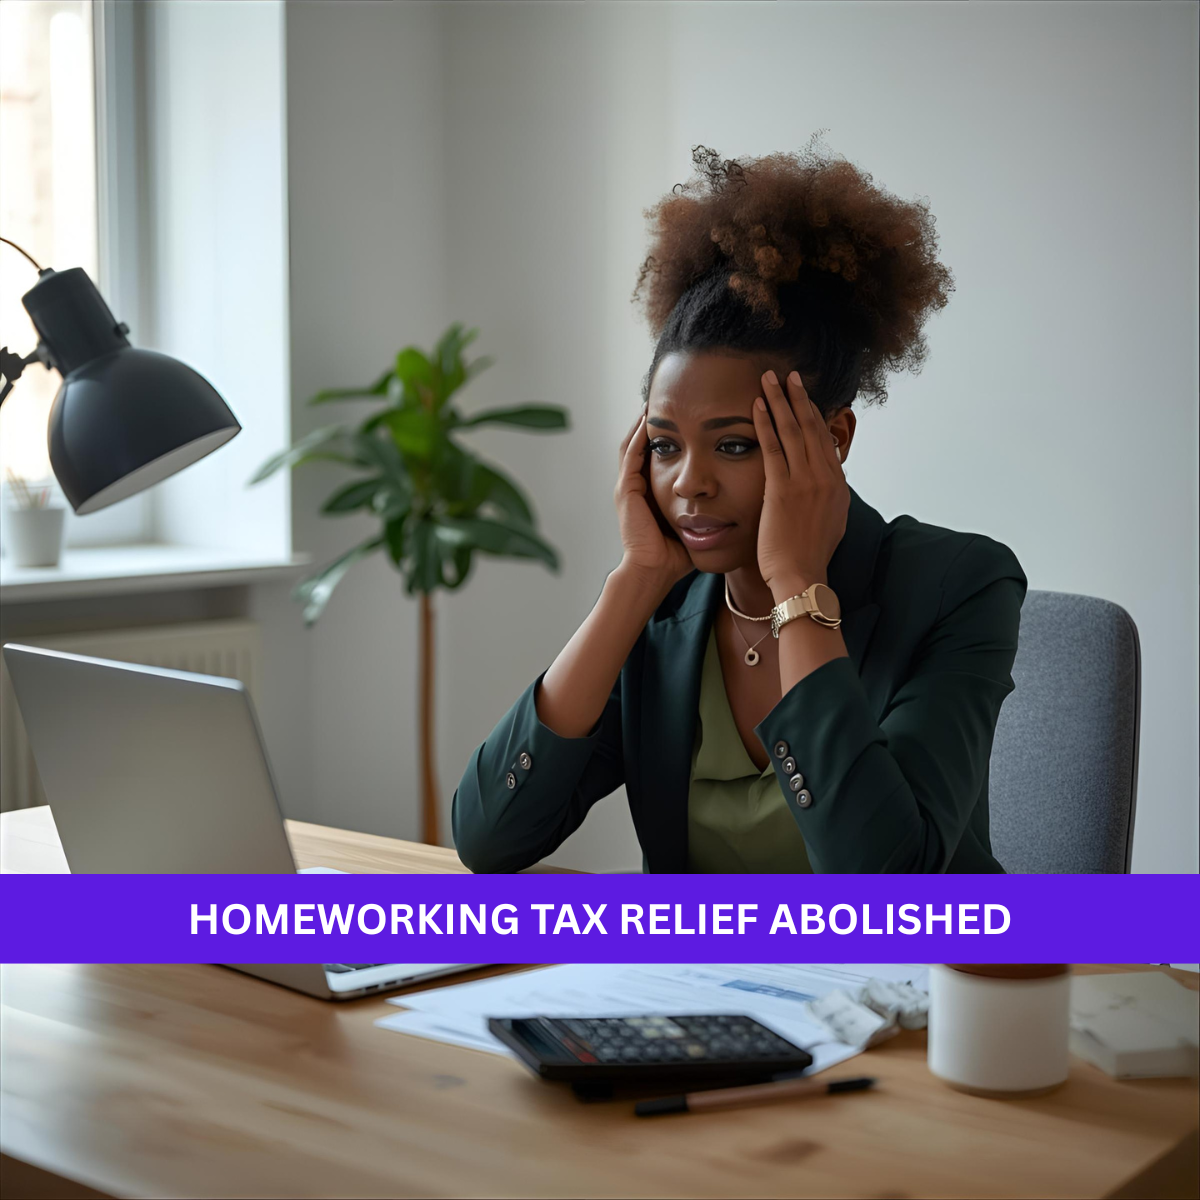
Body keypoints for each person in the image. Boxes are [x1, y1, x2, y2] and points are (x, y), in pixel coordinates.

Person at [452, 140, 1027, 874]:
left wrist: (798, 588)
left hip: (901, 985)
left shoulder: (959, 584)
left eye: (732, 446)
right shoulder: (662, 608)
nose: (688, 483)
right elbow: (489, 839)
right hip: (703, 985)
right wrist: (630, 586)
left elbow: (887, 886)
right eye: (664, 446)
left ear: (833, 436)